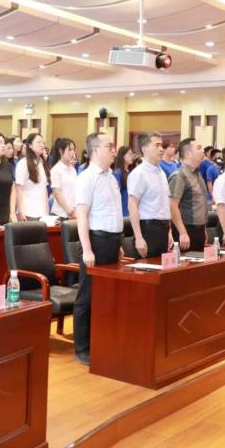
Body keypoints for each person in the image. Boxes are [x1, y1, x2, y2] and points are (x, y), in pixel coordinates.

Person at [74, 131, 121, 365]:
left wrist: (118, 243)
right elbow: (82, 215)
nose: (114, 150)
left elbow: (113, 212)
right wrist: (87, 249)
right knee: (87, 296)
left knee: (107, 296)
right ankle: (82, 348)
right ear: (95, 150)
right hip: (96, 241)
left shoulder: (111, 176)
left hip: (112, 241)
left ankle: (101, 341)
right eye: (109, 146)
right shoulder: (87, 177)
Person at [127, 132, 172, 259]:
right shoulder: (139, 173)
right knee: (147, 267)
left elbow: (165, 204)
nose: (161, 149)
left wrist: (169, 232)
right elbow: (132, 205)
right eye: (157, 145)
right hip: (148, 229)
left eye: (161, 145)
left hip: (163, 228)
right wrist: (138, 237)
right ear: (144, 149)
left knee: (163, 267)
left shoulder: (161, 172)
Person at [169, 137, 210, 252]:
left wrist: (203, 229)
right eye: (198, 148)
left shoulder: (198, 174)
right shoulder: (179, 176)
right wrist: (182, 233)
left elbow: (200, 204)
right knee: (185, 262)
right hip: (185, 229)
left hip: (199, 229)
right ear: (188, 154)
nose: (203, 151)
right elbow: (172, 206)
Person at [14, 132, 50, 222]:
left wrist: (46, 210)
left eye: (43, 143)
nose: (42, 145)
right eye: (38, 142)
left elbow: (44, 189)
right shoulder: (23, 163)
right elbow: (19, 188)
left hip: (42, 212)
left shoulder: (42, 163)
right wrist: (21, 211)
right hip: (28, 211)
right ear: (30, 145)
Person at [49, 138, 78, 220]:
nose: (73, 152)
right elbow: (57, 193)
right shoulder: (56, 170)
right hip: (61, 214)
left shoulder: (73, 169)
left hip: (74, 213)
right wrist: (69, 211)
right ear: (61, 151)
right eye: (70, 150)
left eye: (73, 150)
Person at [112, 145, 137, 217]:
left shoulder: (131, 172)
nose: (132, 156)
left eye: (132, 154)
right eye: (129, 154)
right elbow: (115, 195)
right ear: (122, 156)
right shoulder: (117, 173)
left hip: (132, 209)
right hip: (123, 210)